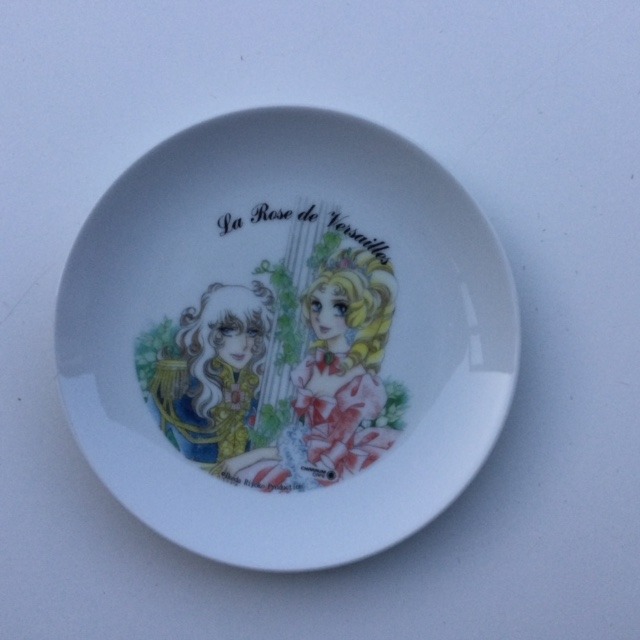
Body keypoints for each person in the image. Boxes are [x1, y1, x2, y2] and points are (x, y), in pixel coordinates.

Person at [219, 248, 398, 490]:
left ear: (358, 313)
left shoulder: (359, 380)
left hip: (331, 464)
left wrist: (313, 466)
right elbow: (305, 432)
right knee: (232, 470)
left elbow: (339, 444)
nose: (322, 317)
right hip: (304, 451)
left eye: (339, 307)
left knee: (247, 474)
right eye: (316, 305)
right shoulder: (311, 366)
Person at [150, 281, 274, 463]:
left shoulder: (263, 391)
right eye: (229, 330)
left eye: (252, 332)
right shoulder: (178, 387)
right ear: (208, 331)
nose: (243, 344)